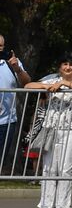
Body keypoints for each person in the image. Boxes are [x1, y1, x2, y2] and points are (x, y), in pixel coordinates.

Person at [26, 52, 72, 208]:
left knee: (65, 168)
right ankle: (46, 205)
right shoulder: (52, 80)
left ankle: (62, 206)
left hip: (71, 130)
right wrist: (45, 87)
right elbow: (28, 86)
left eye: (71, 64)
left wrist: (65, 83)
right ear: (60, 66)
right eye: (64, 64)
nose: (68, 67)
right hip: (51, 129)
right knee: (49, 168)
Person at [0, 32, 33, 170]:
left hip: (6, 121)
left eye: (1, 46)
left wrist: (17, 69)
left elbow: (26, 82)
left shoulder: (12, 62)